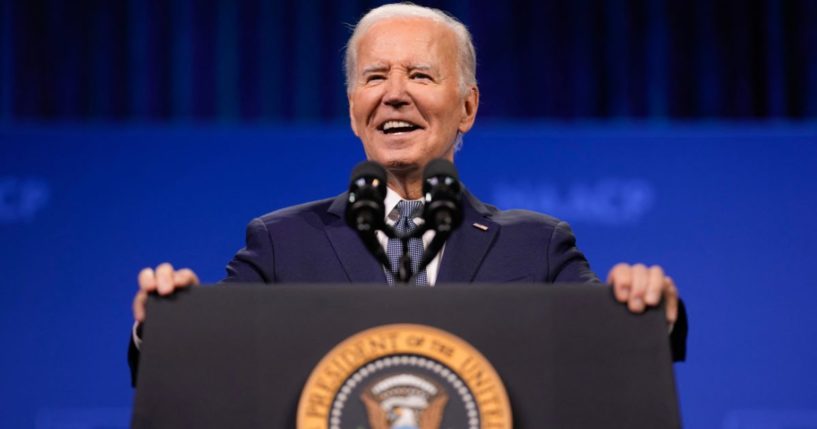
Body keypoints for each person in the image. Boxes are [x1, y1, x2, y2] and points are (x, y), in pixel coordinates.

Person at [130, 3, 686, 383]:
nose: (394, 95)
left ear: (467, 107)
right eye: (374, 78)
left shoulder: (537, 247)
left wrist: (648, 311)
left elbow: (610, 348)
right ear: (353, 111)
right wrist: (166, 322)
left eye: (420, 76)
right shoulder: (281, 243)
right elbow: (205, 358)